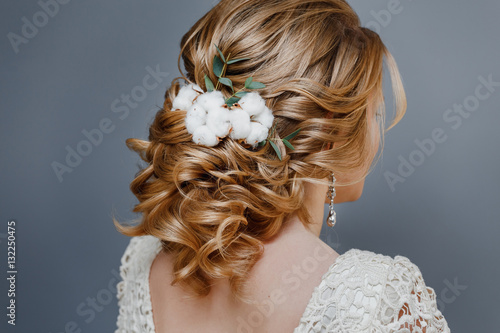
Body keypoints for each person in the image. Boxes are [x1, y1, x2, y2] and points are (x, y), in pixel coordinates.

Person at [113, 0, 450, 332]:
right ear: (330, 130)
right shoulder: (377, 300)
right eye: (374, 114)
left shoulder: (147, 265)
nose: (376, 133)